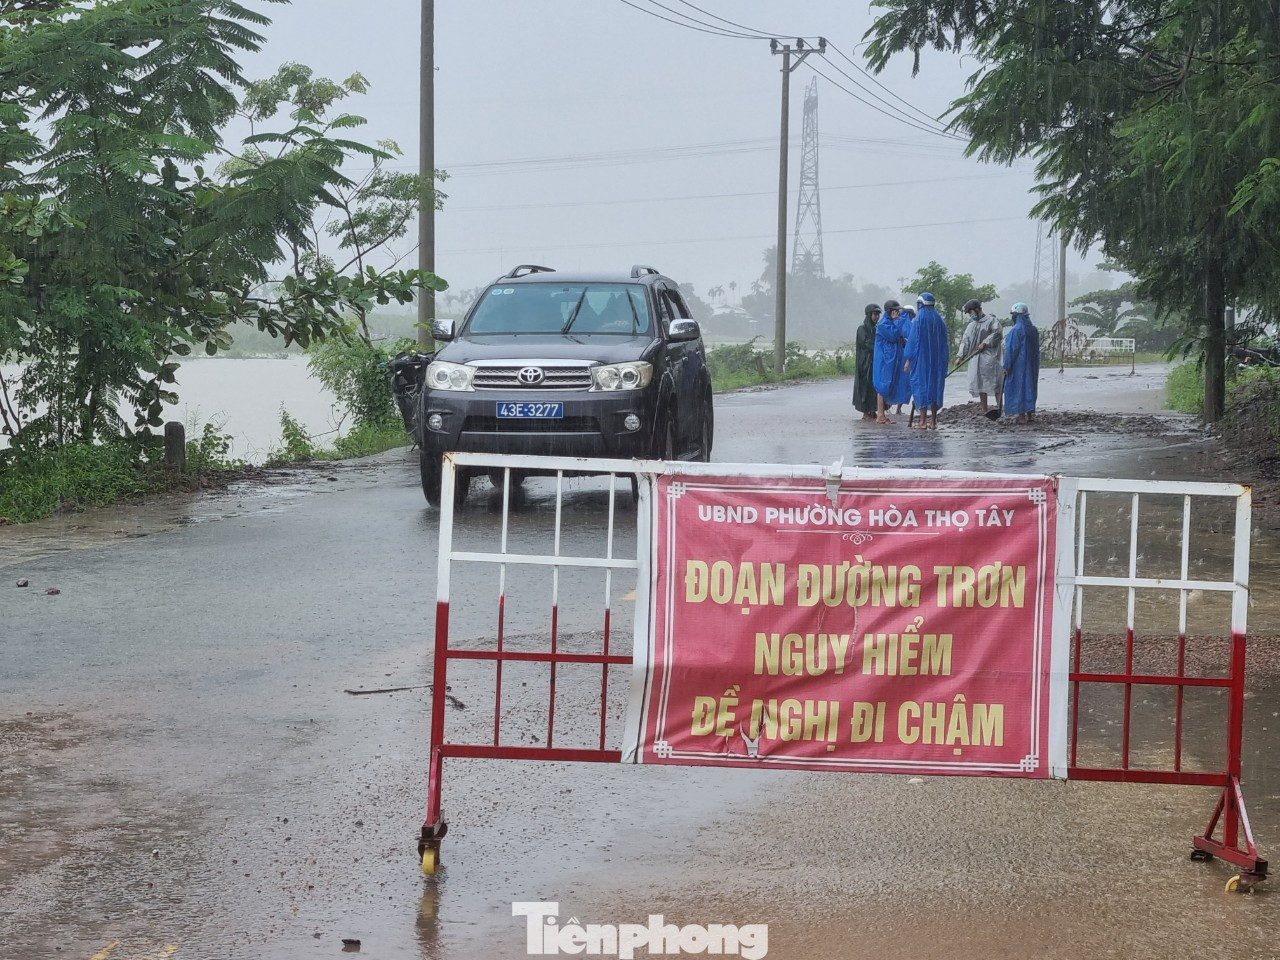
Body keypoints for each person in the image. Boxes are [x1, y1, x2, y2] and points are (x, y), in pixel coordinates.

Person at [903, 292, 950, 430]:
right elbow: (944, 344)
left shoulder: (918, 320)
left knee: (920, 387)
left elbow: (912, 342)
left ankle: (922, 421)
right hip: (937, 361)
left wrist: (908, 359)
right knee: (935, 387)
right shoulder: (939, 320)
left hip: (921, 361)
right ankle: (933, 421)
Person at [957, 298, 1004, 413]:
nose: (970, 315)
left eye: (971, 312)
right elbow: (965, 341)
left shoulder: (992, 321)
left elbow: (997, 333)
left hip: (990, 358)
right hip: (975, 358)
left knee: (995, 382)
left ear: (977, 309)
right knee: (980, 384)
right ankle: (984, 409)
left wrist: (985, 342)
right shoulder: (971, 326)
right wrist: (960, 356)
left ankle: (1000, 407)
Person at [873, 299, 910, 424]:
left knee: (889, 384)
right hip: (884, 360)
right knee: (883, 386)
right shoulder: (883, 324)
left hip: (891, 359)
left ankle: (882, 414)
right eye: (895, 311)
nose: (897, 313)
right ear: (890, 312)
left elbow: (899, 335)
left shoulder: (891, 322)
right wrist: (896, 321)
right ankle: (880, 414)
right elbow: (893, 335)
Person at [1003, 302, 1041, 424]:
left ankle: (1021, 415)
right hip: (1032, 364)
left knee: (1019, 387)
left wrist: (1007, 365)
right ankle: (1030, 414)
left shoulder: (1015, 331)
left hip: (1018, 365)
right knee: (1030, 387)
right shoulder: (1033, 330)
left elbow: (1011, 349)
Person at [852, 303, 881, 420]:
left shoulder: (877, 328)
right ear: (869, 315)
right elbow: (866, 343)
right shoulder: (862, 329)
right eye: (874, 314)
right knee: (865, 388)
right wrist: (879, 348)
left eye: (878, 315)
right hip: (864, 363)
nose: (876, 317)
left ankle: (873, 410)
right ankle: (865, 411)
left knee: (874, 388)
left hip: (874, 362)